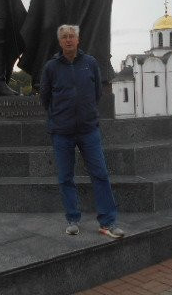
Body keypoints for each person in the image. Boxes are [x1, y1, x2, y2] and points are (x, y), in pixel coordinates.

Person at [40, 24, 124, 238]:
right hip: (62, 132)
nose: (68, 40)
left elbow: (96, 93)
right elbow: (45, 98)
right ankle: (72, 219)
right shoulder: (51, 67)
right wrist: (60, 116)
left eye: (72, 36)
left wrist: (86, 113)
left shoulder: (90, 63)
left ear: (78, 40)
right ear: (60, 42)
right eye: (65, 37)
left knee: (100, 174)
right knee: (66, 177)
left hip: (88, 130)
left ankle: (107, 222)